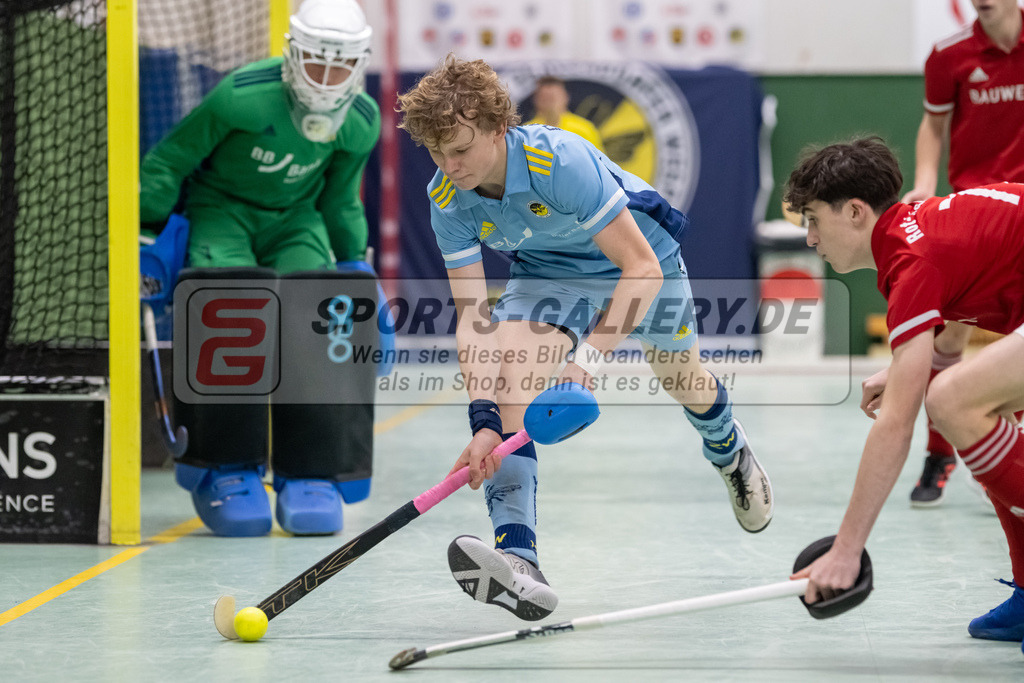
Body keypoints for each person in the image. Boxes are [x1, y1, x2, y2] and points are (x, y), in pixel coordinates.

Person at [396, 56, 773, 621]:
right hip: (548, 271)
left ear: (500, 129)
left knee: (684, 380)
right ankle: (518, 560)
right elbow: (474, 317)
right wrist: (482, 422)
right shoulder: (448, 197)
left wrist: (583, 367)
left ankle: (727, 447)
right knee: (511, 391)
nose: (449, 166)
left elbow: (640, 269)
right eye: (436, 153)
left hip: (644, 257)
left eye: (460, 149)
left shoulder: (558, 160)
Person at [139, 0, 381, 537]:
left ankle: (311, 472)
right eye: (315, 63)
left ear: (359, 64)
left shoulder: (360, 122)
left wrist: (352, 265)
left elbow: (341, 201)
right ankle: (225, 468)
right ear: (293, 54)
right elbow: (171, 160)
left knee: (318, 320)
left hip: (296, 220)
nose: (325, 79)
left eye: (340, 67)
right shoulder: (240, 97)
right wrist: (146, 232)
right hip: (221, 209)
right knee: (228, 311)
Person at [784, 137, 1024, 647]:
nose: (809, 238)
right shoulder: (916, 231)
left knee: (953, 402)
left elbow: (897, 421)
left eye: (812, 219)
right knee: (996, 429)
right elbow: (971, 280)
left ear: (853, 212)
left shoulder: (909, 259)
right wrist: (900, 370)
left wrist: (847, 548)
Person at [901, 0, 1024, 506]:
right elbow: (933, 125)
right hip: (976, 209)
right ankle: (939, 450)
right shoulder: (949, 55)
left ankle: (1005, 453)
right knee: (949, 327)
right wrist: (926, 184)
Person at [526, 75, 604, 152]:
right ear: (535, 100)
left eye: (553, 98)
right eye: (545, 98)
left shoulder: (584, 128)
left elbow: (599, 161)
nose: (550, 104)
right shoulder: (527, 132)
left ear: (566, 97)